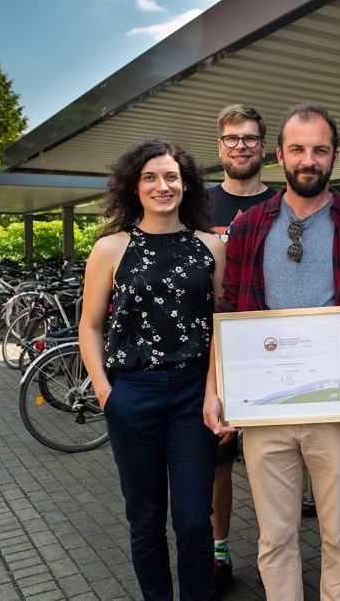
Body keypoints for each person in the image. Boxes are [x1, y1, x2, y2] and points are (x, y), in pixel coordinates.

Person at [203, 102, 340, 600]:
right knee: (274, 539)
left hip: (338, 409)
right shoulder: (250, 227)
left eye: (319, 150)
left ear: (334, 155)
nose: (308, 160)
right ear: (280, 155)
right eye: (298, 149)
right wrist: (214, 390)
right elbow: (229, 311)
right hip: (264, 411)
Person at [79, 138, 225, 601]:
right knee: (144, 519)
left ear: (186, 185)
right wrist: (106, 393)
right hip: (132, 393)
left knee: (193, 520)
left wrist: (215, 391)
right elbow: (90, 325)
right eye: (150, 177)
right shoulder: (110, 248)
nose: (162, 186)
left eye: (171, 177)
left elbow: (222, 327)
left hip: (193, 395)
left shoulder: (211, 246)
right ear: (134, 186)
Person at [206, 104, 274, 595]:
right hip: (215, 346)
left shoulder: (284, 203)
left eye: (249, 138)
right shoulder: (197, 206)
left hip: (272, 350)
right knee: (218, 460)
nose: (241, 146)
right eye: (232, 138)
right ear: (220, 146)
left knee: (276, 459)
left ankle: (278, 551)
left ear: (264, 147)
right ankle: (219, 553)